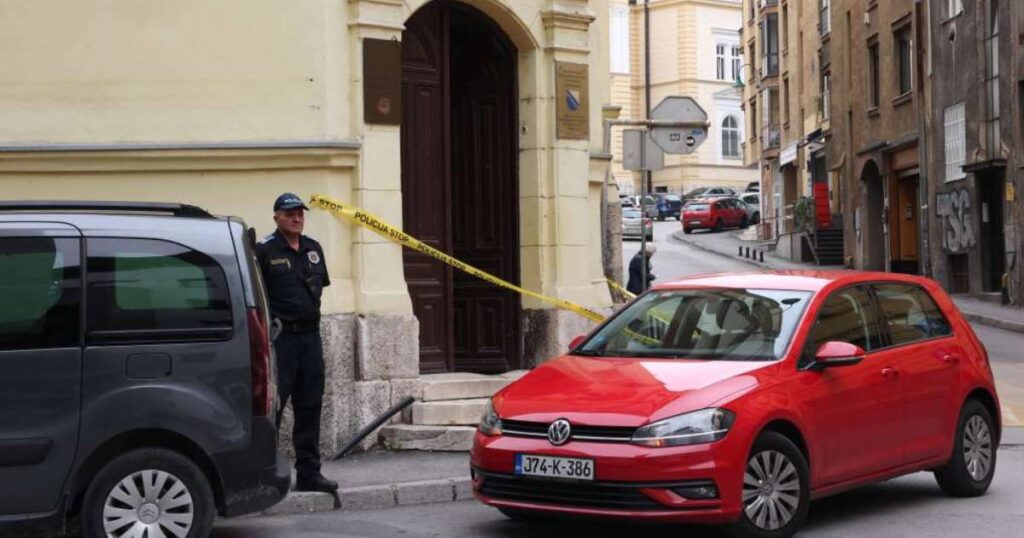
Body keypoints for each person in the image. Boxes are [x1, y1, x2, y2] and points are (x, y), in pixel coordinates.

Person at [255, 193, 338, 493]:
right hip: (282, 340)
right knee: (273, 408)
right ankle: (262, 476)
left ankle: (309, 473)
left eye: (300, 213)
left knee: (309, 406)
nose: (297, 218)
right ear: (276, 216)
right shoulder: (264, 250)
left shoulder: (313, 249)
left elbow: (318, 289)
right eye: (290, 213)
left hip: (310, 339)